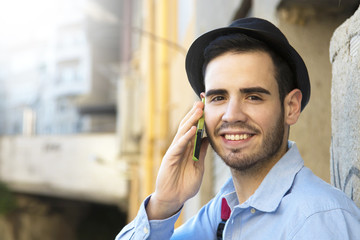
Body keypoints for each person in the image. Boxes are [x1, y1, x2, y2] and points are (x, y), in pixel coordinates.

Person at [116, 17, 360, 239]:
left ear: (291, 107)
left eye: (253, 96)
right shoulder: (222, 213)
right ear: (201, 111)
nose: (231, 115)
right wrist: (164, 203)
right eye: (218, 98)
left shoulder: (317, 222)